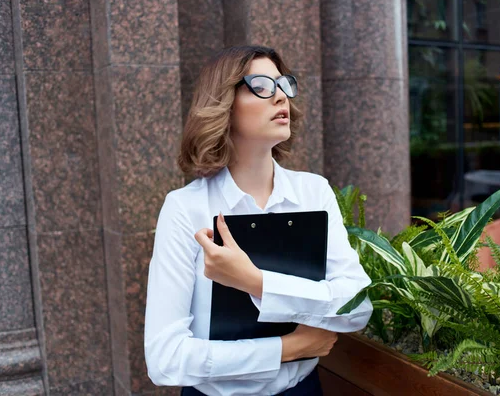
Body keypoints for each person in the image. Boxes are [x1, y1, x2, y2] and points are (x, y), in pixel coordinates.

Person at [144, 45, 373, 396]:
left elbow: (357, 307)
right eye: (263, 85)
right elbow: (166, 359)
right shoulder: (185, 208)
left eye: (284, 84)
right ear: (223, 102)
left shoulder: (313, 192)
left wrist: (255, 282)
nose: (281, 96)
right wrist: (289, 349)